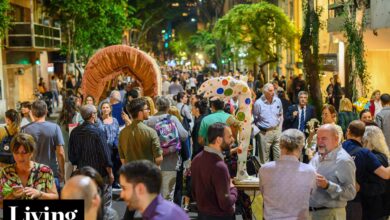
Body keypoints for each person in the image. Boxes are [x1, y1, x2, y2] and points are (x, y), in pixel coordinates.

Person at [259, 129, 316, 219]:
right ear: (300, 147)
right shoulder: (310, 171)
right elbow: (311, 195)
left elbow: (263, 193)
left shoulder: (265, 169)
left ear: (280, 145)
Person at [343, 121, 390, 220]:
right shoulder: (369, 155)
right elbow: (385, 176)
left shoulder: (374, 156)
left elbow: (380, 185)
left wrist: (361, 187)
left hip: (370, 207)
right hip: (371, 207)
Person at [69, 104, 114, 207]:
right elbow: (106, 156)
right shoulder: (98, 132)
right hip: (100, 174)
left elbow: (72, 157)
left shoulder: (74, 132)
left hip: (83, 173)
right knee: (105, 204)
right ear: (93, 115)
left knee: (87, 203)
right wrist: (110, 174)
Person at [144, 96, 188, 201]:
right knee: (168, 194)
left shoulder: (149, 121)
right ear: (168, 107)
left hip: (154, 162)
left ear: (156, 106)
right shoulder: (173, 119)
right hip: (171, 162)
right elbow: (184, 135)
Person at [309, 124, 356, 220]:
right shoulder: (318, 155)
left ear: (336, 139)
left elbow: (351, 193)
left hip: (330, 214)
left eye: (324, 138)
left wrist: (327, 185)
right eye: (318, 138)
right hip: (312, 214)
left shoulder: (343, 160)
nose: (319, 142)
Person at [191, 123, 238, 220]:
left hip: (203, 214)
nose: (233, 140)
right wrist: (233, 189)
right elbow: (225, 203)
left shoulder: (196, 159)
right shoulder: (219, 166)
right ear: (218, 140)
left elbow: (193, 191)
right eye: (229, 137)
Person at [0, 133, 58, 208]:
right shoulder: (5, 172)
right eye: (16, 152)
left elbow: (55, 197)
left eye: (24, 152)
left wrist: (40, 194)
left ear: (32, 153)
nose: (20, 156)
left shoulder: (44, 171)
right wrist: (12, 195)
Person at [119, 160, 189, 220]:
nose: (121, 195)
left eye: (125, 188)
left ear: (140, 189)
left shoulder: (159, 217)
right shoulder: (164, 210)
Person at [22, 100, 65, 191]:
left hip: (32, 173)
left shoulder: (25, 130)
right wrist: (62, 172)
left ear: (32, 112)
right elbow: (60, 153)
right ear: (46, 111)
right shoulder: (55, 128)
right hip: (51, 172)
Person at [118, 97, 163, 165]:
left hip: (130, 173)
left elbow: (123, 160)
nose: (149, 111)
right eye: (147, 109)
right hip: (147, 172)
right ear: (140, 112)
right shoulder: (151, 132)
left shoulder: (122, 133)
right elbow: (159, 158)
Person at [362, 126, 390, 219]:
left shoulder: (372, 157)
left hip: (373, 206)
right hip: (382, 205)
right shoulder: (383, 156)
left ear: (367, 140)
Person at [253, 83, 283, 163]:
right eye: (270, 91)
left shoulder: (278, 100)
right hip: (264, 133)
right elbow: (255, 119)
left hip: (276, 131)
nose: (273, 92)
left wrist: (280, 129)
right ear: (264, 91)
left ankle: (277, 174)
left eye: (273, 90)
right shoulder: (258, 103)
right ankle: (265, 175)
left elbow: (280, 114)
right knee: (264, 158)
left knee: (279, 156)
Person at [100, 102, 121, 189]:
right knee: (108, 164)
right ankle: (108, 181)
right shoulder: (99, 121)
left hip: (115, 146)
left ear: (110, 109)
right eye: (104, 107)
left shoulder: (115, 120)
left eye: (107, 107)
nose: (105, 109)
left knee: (116, 163)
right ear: (101, 109)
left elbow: (118, 133)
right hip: (105, 147)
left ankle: (115, 181)